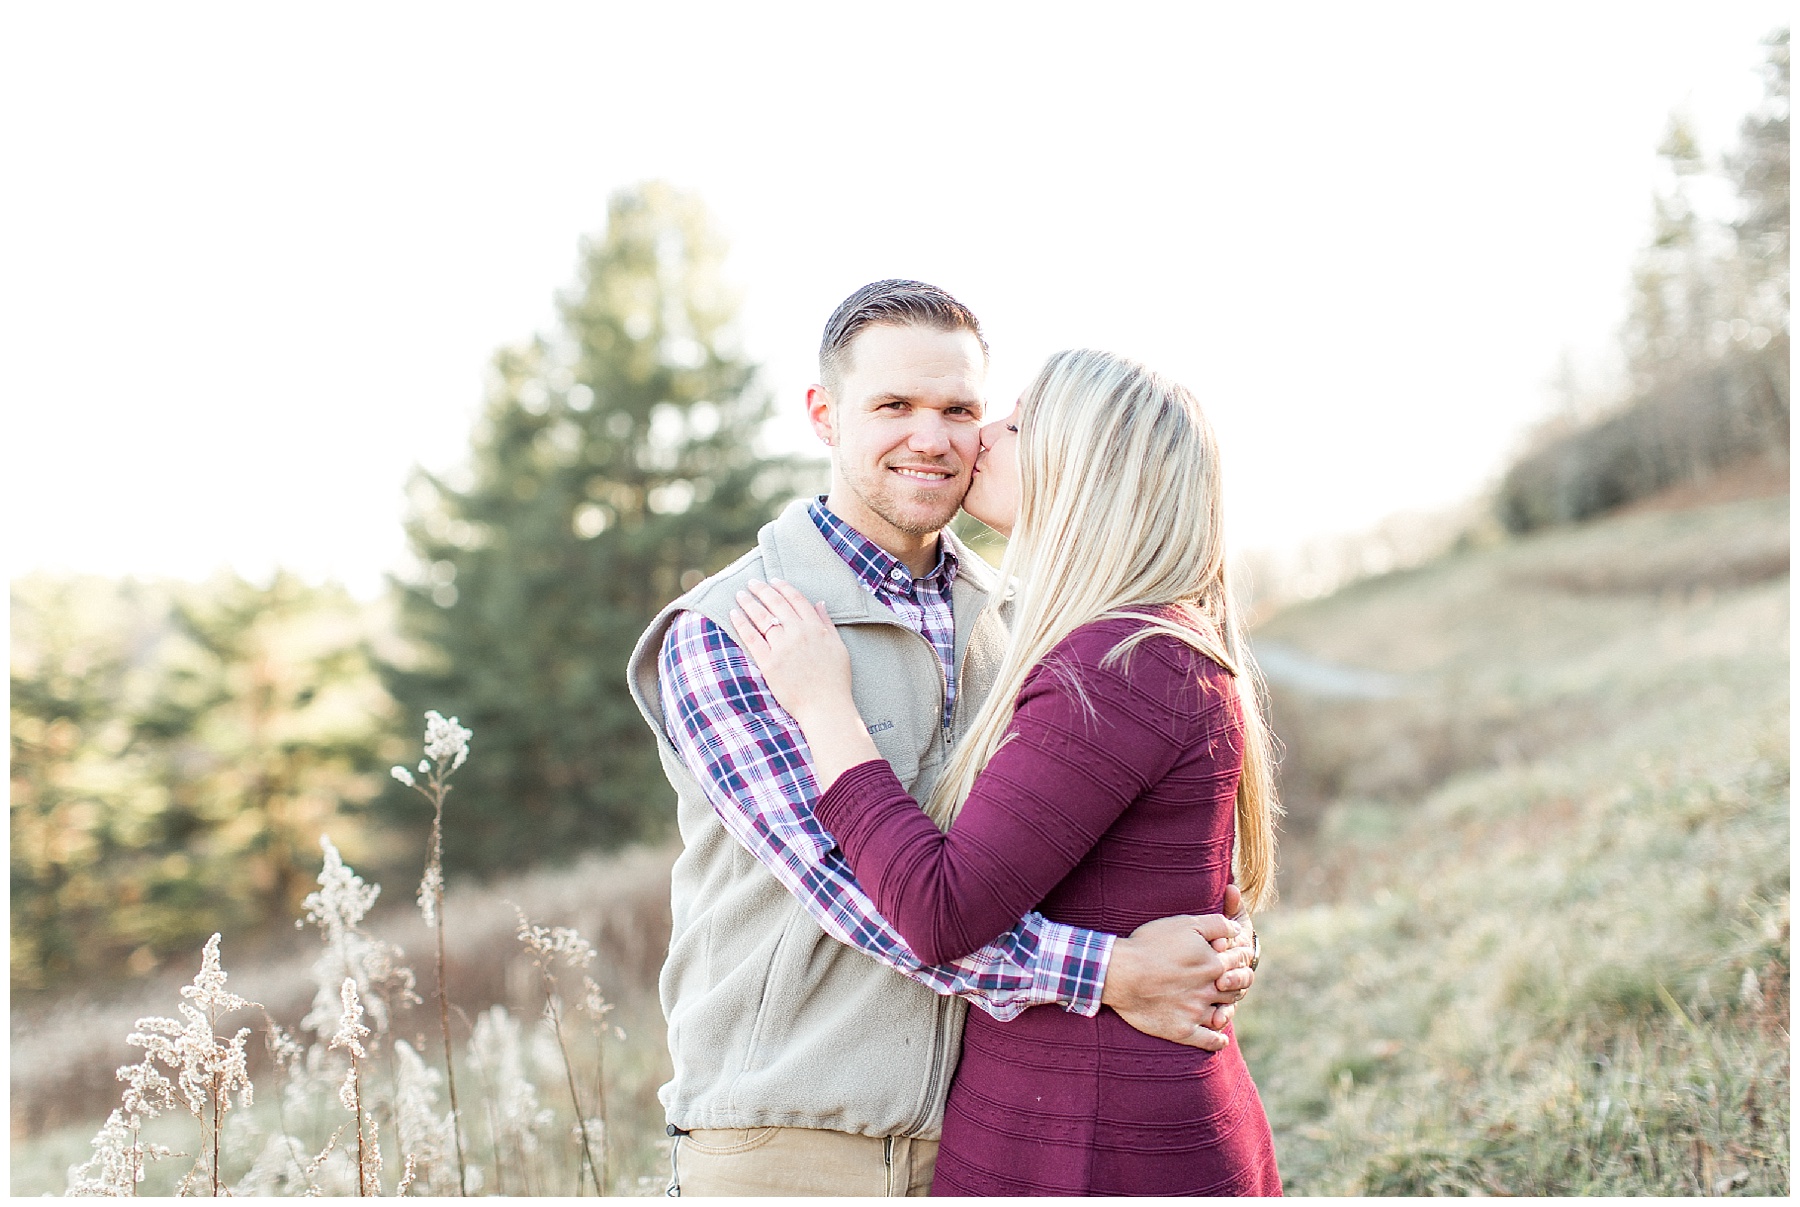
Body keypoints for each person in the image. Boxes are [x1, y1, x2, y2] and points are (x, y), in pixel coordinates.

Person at [625, 282, 1257, 1197]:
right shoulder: (732, 629)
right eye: (893, 406)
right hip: (794, 1139)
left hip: (986, 1132)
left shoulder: (1022, 625)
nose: (932, 437)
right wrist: (1112, 970)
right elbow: (861, 897)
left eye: (960, 409)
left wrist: (1210, 944)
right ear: (824, 416)